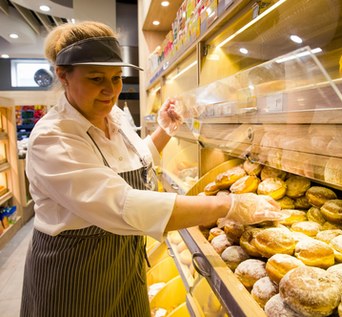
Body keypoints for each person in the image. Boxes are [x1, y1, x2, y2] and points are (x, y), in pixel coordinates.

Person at [20, 21, 284, 317]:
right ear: (63, 76)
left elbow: (130, 164)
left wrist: (164, 131)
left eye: (117, 78)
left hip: (123, 261)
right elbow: (121, 203)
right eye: (96, 79)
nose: (110, 90)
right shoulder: (53, 138)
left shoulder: (114, 117)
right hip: (74, 274)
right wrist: (227, 204)